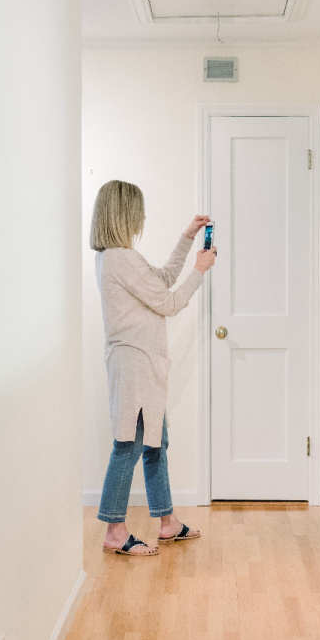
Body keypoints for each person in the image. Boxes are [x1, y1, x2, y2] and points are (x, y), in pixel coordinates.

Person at [90, 179, 217, 556]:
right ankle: (114, 529)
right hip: (136, 367)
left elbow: (160, 281)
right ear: (124, 213)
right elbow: (170, 302)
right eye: (138, 210)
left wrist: (187, 237)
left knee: (155, 443)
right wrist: (200, 270)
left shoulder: (116, 258)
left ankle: (167, 521)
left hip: (140, 366)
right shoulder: (119, 258)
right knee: (128, 445)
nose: (143, 217)